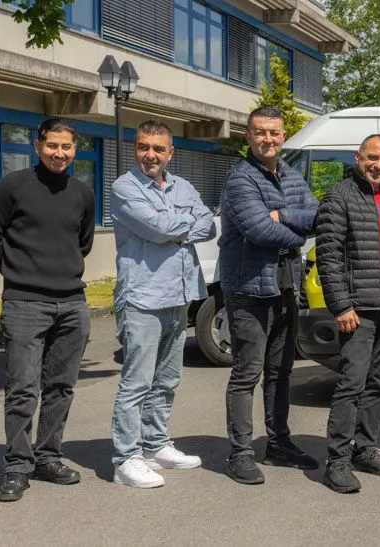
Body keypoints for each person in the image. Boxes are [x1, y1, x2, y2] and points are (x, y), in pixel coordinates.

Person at [0, 118, 95, 502]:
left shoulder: (82, 193)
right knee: (23, 388)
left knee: (61, 386)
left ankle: (47, 457)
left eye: (67, 147)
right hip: (25, 303)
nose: (60, 154)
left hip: (72, 304)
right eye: (52, 146)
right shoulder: (14, 187)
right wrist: (17, 270)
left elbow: (83, 242)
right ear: (37, 146)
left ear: (74, 150)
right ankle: (17, 466)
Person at [109, 119, 216, 488]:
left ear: (171, 152)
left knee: (167, 379)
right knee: (136, 382)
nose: (149, 155)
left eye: (157, 148)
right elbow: (158, 229)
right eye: (143, 147)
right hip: (142, 296)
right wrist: (171, 227)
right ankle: (125, 458)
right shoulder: (124, 188)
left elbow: (209, 225)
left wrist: (171, 227)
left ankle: (155, 445)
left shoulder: (183, 186)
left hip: (179, 295)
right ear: (135, 148)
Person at [219, 106, 320, 485]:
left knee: (281, 372)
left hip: (284, 284)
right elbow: (260, 230)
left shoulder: (292, 176)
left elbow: (317, 215)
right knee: (247, 373)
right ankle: (240, 453)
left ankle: (278, 444)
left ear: (283, 136)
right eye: (260, 133)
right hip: (248, 289)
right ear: (248, 136)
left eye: (275, 133)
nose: (268, 139)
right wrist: (290, 226)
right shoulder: (240, 180)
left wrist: (281, 216)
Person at [315, 134, 380, 493]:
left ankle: (365, 448)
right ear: (358, 157)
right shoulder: (339, 196)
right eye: (372, 158)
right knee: (352, 384)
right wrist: (341, 305)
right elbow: (327, 256)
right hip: (359, 309)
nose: (378, 165)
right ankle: (337, 460)